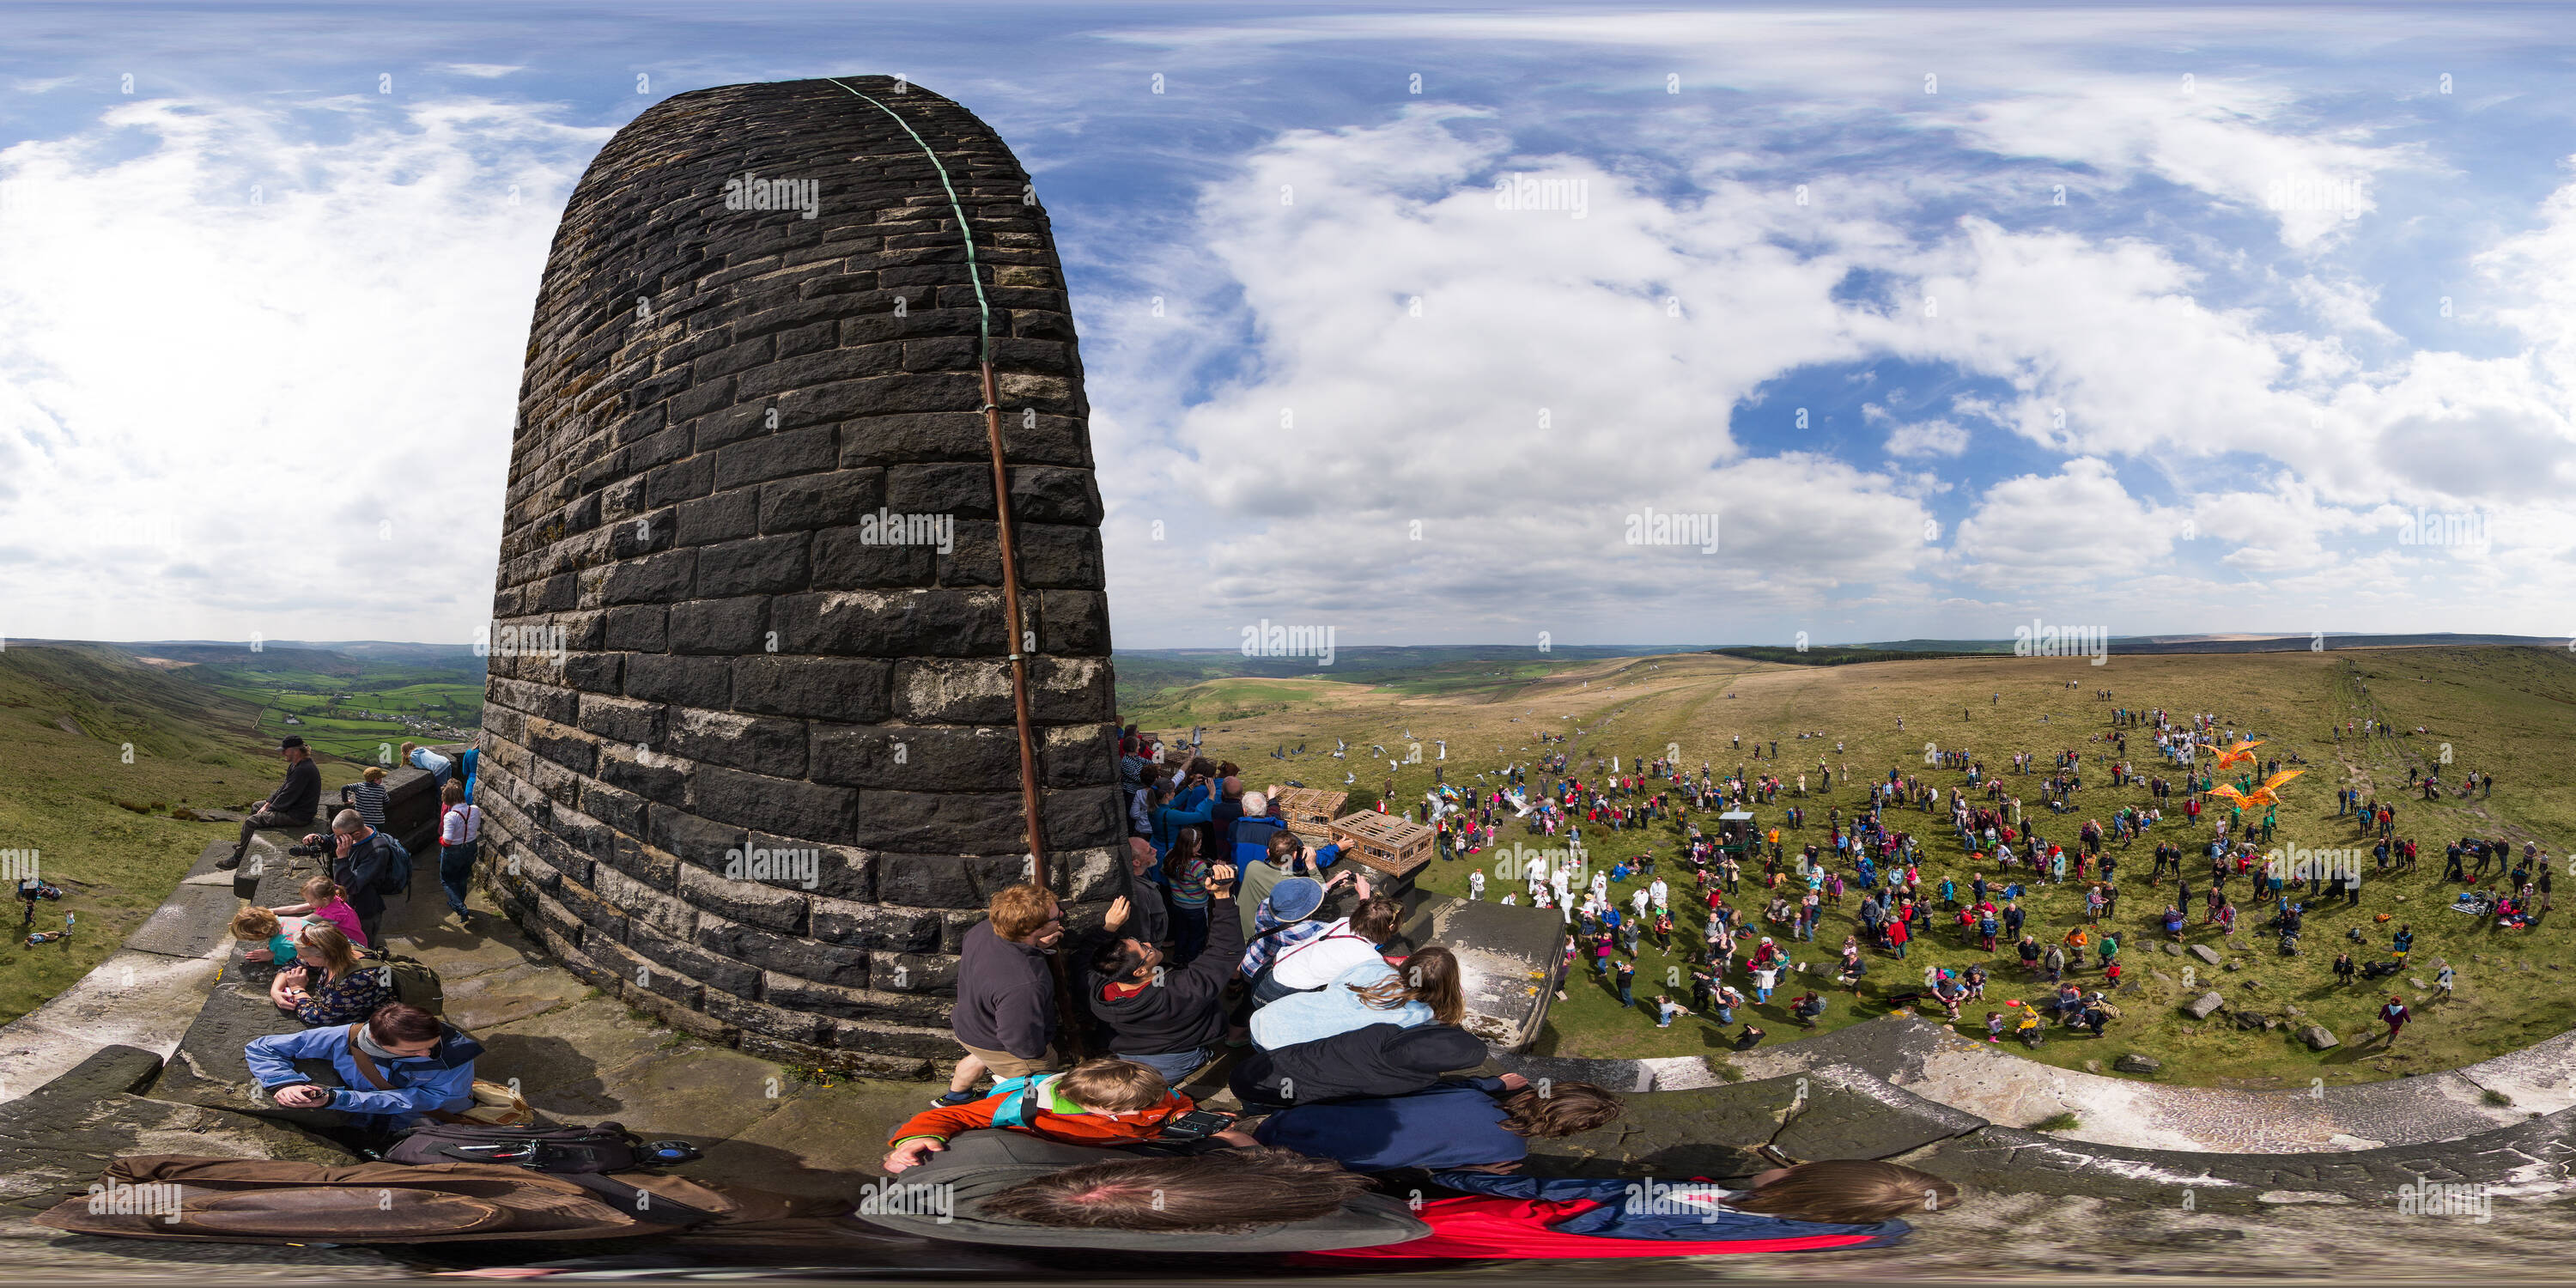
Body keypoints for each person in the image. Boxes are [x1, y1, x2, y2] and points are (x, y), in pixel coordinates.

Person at [1314, 1157, 1956, 1260]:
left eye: (1796, 1169)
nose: (1781, 1164)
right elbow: (1888, 1224)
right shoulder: (1846, 1228)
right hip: (1536, 1226)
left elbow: (1571, 1206)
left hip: (1495, 1227)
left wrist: (1449, 1175)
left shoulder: (1689, 1208)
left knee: (1358, 1230)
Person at [884, 1058, 1232, 1174]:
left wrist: (1183, 1119)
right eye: (1132, 1109)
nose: (1145, 1111)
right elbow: (954, 1117)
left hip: (1138, 1144)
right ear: (1090, 1104)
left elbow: (1177, 1102)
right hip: (1073, 1153)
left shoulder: (1147, 1092)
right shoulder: (1027, 1105)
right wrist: (916, 1138)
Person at [1252, 1074, 1622, 1172]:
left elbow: (1435, 1088)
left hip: (1299, 1122)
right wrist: (1479, 1170)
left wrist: (1492, 1085)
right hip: (1319, 1163)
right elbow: (1443, 1172)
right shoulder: (1509, 1150)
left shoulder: (1472, 1098)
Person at [1087, 866, 1241, 1084]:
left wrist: (1109, 928)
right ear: (1140, 971)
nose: (1149, 943)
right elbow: (1225, 953)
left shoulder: (1098, 985)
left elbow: (1084, 959)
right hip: (1176, 1056)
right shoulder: (1177, 991)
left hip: (1124, 1053)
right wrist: (1223, 895)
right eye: (1145, 949)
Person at [244, 1001, 482, 1141]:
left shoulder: (456, 1058)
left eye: (431, 1044)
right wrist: (285, 1083)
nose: (427, 1054)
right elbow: (261, 1047)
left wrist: (338, 1099)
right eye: (413, 1051)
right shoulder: (346, 1037)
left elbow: (415, 1101)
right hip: (364, 1120)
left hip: (427, 1124)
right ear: (377, 1042)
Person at [935, 882, 1066, 1110]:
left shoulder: (984, 929)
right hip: (1009, 1047)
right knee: (1035, 1094)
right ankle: (1015, 1118)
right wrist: (1038, 1058)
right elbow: (1022, 1043)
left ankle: (955, 1098)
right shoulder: (1025, 984)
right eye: (1056, 918)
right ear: (1032, 928)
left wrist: (1036, 945)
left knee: (981, 1056)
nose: (1062, 916)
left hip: (972, 1026)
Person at [1233, 1022, 1485, 1111]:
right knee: (1263, 1105)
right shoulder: (1416, 1081)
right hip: (1278, 1094)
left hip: (1259, 1067)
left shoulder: (1381, 1032)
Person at [1255, 947, 1462, 1050]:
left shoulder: (1372, 966)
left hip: (1271, 1017)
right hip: (1286, 1045)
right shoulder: (1420, 1017)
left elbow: (1334, 988)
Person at [298, 809, 405, 949]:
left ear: (356, 834)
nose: (337, 840)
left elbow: (350, 887)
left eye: (340, 838)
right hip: (348, 907)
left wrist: (342, 858)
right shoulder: (351, 836)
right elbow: (332, 841)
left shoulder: (378, 851)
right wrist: (320, 839)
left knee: (363, 948)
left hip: (365, 911)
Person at [220, 736, 323, 870]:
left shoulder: (303, 770)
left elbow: (287, 796)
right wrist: (267, 804)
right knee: (256, 806)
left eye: (285, 750)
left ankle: (238, 858)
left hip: (298, 815)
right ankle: (246, 843)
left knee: (251, 821)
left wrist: (270, 810)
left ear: (295, 751)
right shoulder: (296, 765)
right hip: (293, 807)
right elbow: (284, 787)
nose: (282, 753)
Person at [266, 921, 392, 1025]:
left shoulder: (358, 980)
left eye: (304, 955)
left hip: (367, 1022)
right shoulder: (341, 946)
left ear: (325, 956)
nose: (299, 957)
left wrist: (297, 989)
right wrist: (275, 990)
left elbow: (316, 1018)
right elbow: (294, 963)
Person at [434, 778, 482, 921]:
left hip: (454, 851)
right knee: (462, 878)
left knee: (447, 880)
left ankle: (460, 907)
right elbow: (477, 826)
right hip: (471, 847)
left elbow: (447, 840)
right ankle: (459, 902)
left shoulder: (451, 816)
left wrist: (440, 840)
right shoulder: (475, 809)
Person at [229, 905, 301, 967]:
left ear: (259, 934)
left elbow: (299, 959)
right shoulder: (284, 919)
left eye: (249, 938)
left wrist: (273, 955)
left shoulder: (280, 944)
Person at [339, 765, 391, 831]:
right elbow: (387, 801)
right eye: (380, 778)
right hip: (378, 822)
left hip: (362, 821)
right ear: (376, 779)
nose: (381, 780)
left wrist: (345, 801)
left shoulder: (358, 786)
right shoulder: (381, 789)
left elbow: (344, 788)